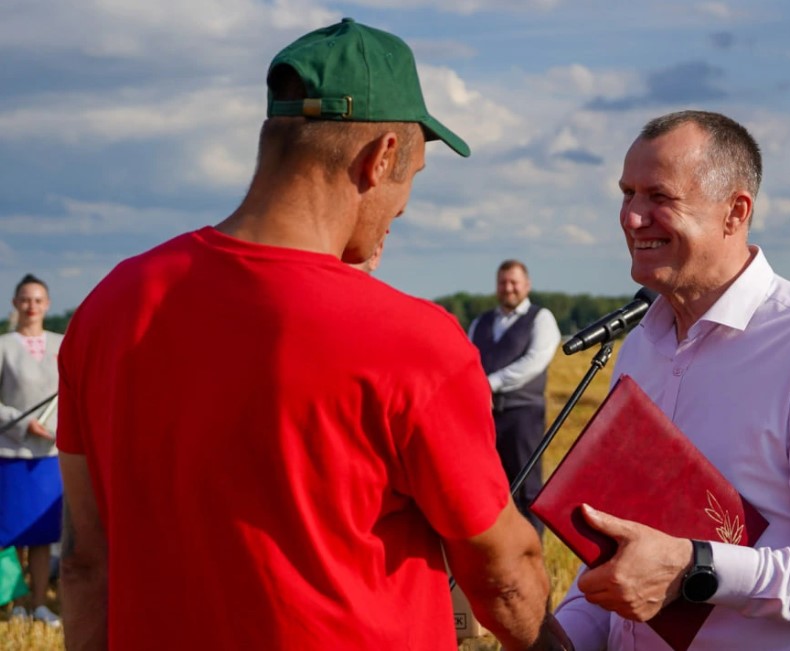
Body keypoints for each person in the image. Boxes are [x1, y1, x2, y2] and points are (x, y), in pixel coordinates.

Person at [55, 19, 570, 650]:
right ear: (379, 159)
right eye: (414, 177)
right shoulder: (413, 340)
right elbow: (503, 573)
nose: (404, 207)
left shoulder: (109, 307)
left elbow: (85, 559)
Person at [553, 111, 790, 650]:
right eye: (627, 194)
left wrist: (699, 568)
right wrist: (556, 637)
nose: (631, 218)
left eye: (658, 197)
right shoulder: (638, 349)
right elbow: (624, 557)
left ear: (734, 212)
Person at [468, 260, 561, 534]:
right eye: (503, 283)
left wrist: (488, 383)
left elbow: (533, 362)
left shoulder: (541, 318)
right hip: (485, 416)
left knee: (525, 490)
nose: (508, 288)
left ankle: (532, 560)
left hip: (523, 415)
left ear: (526, 285)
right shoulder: (481, 322)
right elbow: (469, 359)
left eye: (514, 282)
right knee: (489, 488)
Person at [0, 274, 63, 627]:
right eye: (25, 300)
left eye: (38, 300)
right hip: (12, 454)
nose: (32, 306)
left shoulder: (62, 343)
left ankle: (40, 602)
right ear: (15, 304)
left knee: (43, 535)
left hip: (50, 455)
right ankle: (16, 604)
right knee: (12, 535)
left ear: (48, 304)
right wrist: (23, 424)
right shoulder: (3, 346)